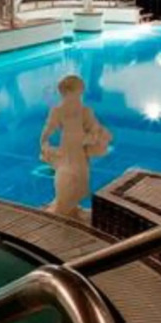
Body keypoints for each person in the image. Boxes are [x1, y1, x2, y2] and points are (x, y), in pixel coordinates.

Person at [39, 75, 111, 220]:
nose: (79, 96)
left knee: (80, 179)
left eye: (80, 93)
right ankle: (63, 208)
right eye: (77, 93)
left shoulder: (85, 111)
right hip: (67, 148)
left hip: (80, 150)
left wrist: (93, 136)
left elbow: (94, 127)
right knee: (65, 177)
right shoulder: (58, 111)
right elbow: (49, 128)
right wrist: (44, 141)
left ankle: (71, 208)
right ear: (66, 93)